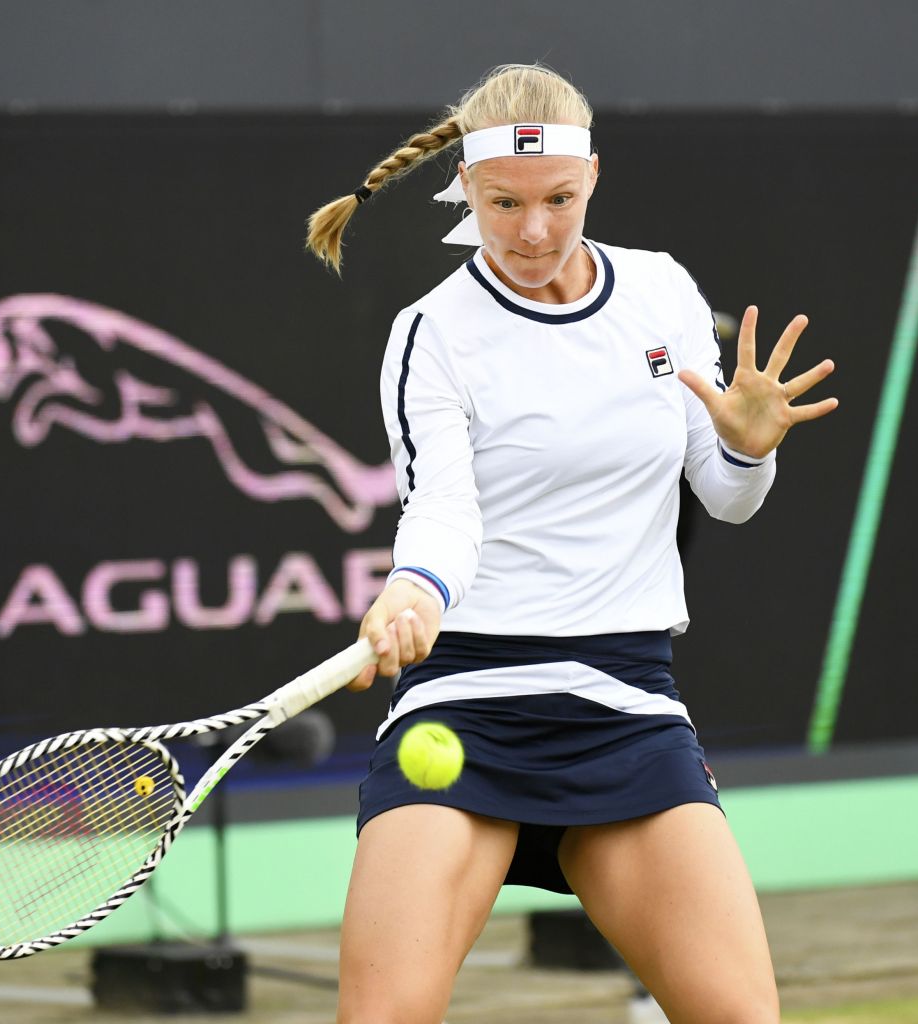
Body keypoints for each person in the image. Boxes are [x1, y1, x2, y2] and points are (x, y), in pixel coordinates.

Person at [305, 63, 836, 1024]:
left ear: (591, 176)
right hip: (464, 705)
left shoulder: (661, 292)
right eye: (504, 203)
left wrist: (746, 448)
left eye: (557, 199)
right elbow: (442, 509)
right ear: (465, 187)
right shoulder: (431, 333)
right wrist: (413, 588)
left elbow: (725, 499)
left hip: (624, 703)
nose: (533, 231)